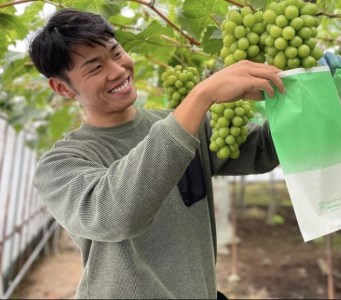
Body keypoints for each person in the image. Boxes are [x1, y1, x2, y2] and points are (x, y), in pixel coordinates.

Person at [29, 8, 285, 299]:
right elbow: (119, 216)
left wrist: (310, 88)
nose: (117, 71)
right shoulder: (60, 166)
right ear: (62, 87)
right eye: (95, 68)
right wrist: (202, 95)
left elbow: (264, 150)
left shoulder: (182, 126)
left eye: (116, 53)